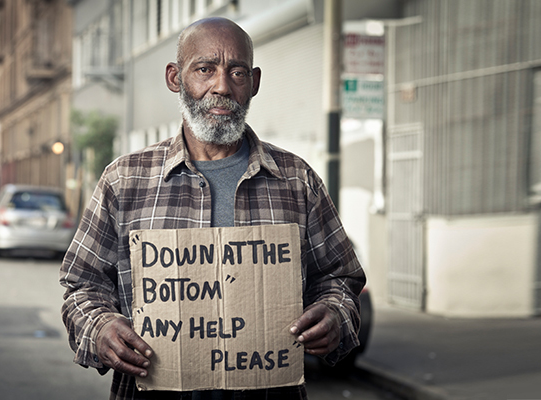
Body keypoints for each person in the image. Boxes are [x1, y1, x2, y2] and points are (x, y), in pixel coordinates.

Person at [60, 17, 366, 400]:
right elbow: (81, 285)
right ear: (175, 77)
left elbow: (342, 279)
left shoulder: (296, 180)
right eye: (205, 69)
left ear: (253, 82)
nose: (222, 87)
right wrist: (100, 328)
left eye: (237, 72)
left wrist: (335, 314)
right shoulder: (125, 181)